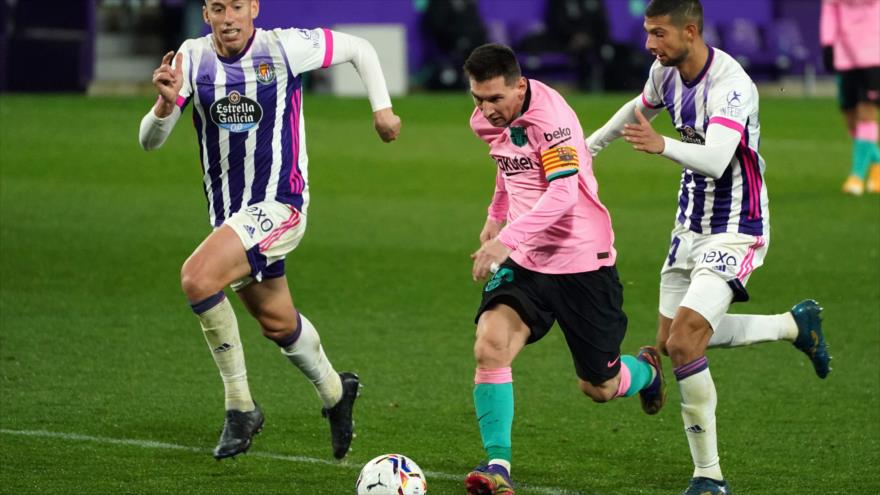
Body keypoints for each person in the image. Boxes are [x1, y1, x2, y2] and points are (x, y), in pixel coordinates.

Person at [137, 0, 401, 460]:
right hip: (231, 220)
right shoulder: (191, 58)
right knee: (278, 323)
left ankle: (240, 407)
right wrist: (163, 103)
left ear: (253, 8)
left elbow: (360, 48)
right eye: (218, 8)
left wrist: (382, 110)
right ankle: (338, 393)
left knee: (197, 278)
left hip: (281, 206)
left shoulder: (283, 48)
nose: (229, 17)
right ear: (206, 14)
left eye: (237, 6)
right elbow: (149, 142)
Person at [585, 1, 831, 493]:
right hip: (689, 223)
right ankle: (791, 326)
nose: (649, 44)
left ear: (690, 31)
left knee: (682, 343)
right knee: (670, 343)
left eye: (658, 34)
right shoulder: (664, 72)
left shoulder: (732, 85)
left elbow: (718, 159)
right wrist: (587, 150)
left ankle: (709, 476)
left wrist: (662, 146)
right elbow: (636, 109)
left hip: (737, 224)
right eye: (647, 33)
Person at [462, 43, 665, 495]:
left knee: (600, 386)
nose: (486, 110)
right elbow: (506, 163)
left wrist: (504, 239)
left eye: (495, 99)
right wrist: (495, 214)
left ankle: (648, 370)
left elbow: (562, 195)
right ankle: (498, 465)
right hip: (528, 260)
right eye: (478, 98)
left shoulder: (551, 121)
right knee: (490, 344)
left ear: (519, 85)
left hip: (581, 261)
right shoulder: (486, 119)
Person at [820, 0, 880, 195]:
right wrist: (827, 44)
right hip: (844, 56)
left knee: (867, 113)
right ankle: (877, 166)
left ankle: (856, 176)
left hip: (872, 55)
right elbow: (829, 12)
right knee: (851, 120)